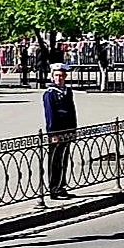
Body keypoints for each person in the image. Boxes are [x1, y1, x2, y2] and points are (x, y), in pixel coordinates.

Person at [43, 63, 77, 199]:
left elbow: (72, 111)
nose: (59, 78)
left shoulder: (67, 92)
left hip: (67, 130)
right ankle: (54, 189)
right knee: (55, 161)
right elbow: (50, 114)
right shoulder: (50, 94)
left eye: (62, 76)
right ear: (52, 77)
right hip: (57, 131)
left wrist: (74, 130)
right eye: (57, 76)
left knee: (64, 159)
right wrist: (53, 133)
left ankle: (62, 186)